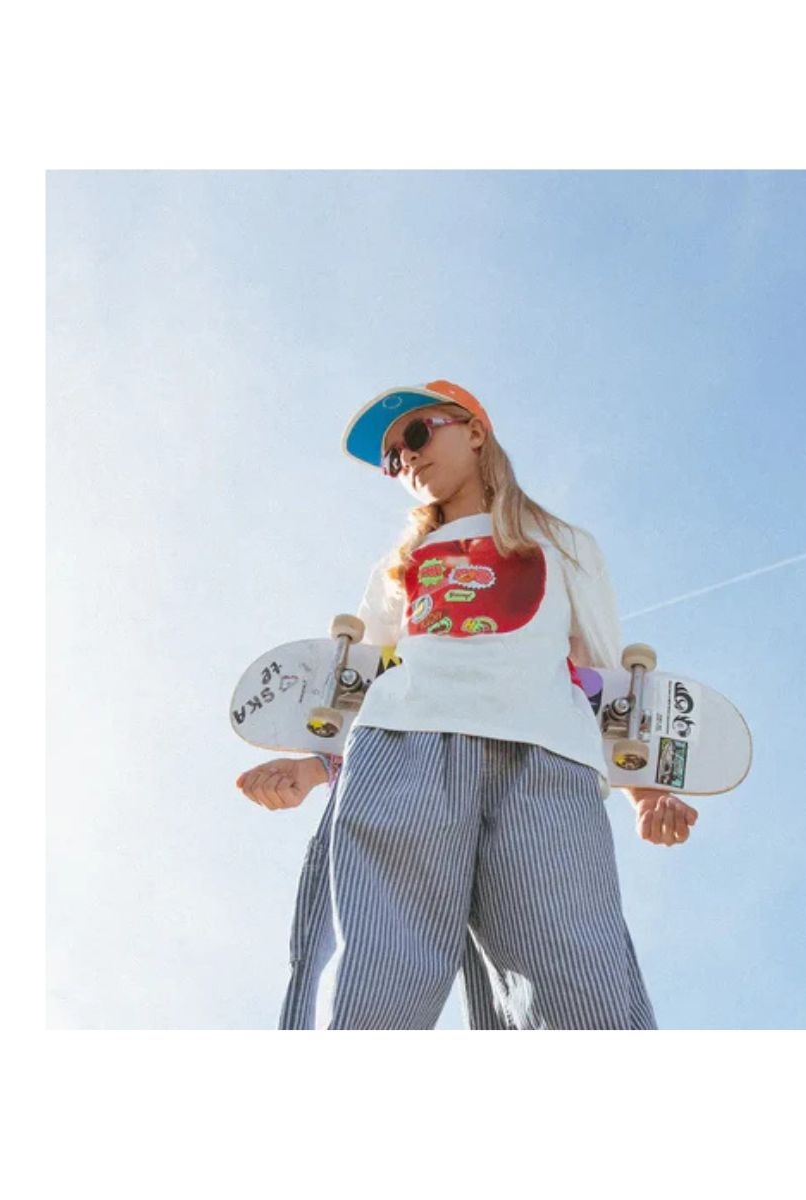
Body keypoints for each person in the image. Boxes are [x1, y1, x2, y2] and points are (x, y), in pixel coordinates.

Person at [236, 379, 699, 1029]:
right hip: (403, 750)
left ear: (474, 432)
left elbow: (604, 677)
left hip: (544, 759)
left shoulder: (562, 544)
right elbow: (361, 679)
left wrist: (645, 793)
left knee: (574, 974)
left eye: (416, 435)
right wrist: (314, 767)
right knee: (379, 973)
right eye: (392, 458)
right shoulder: (399, 566)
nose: (406, 458)